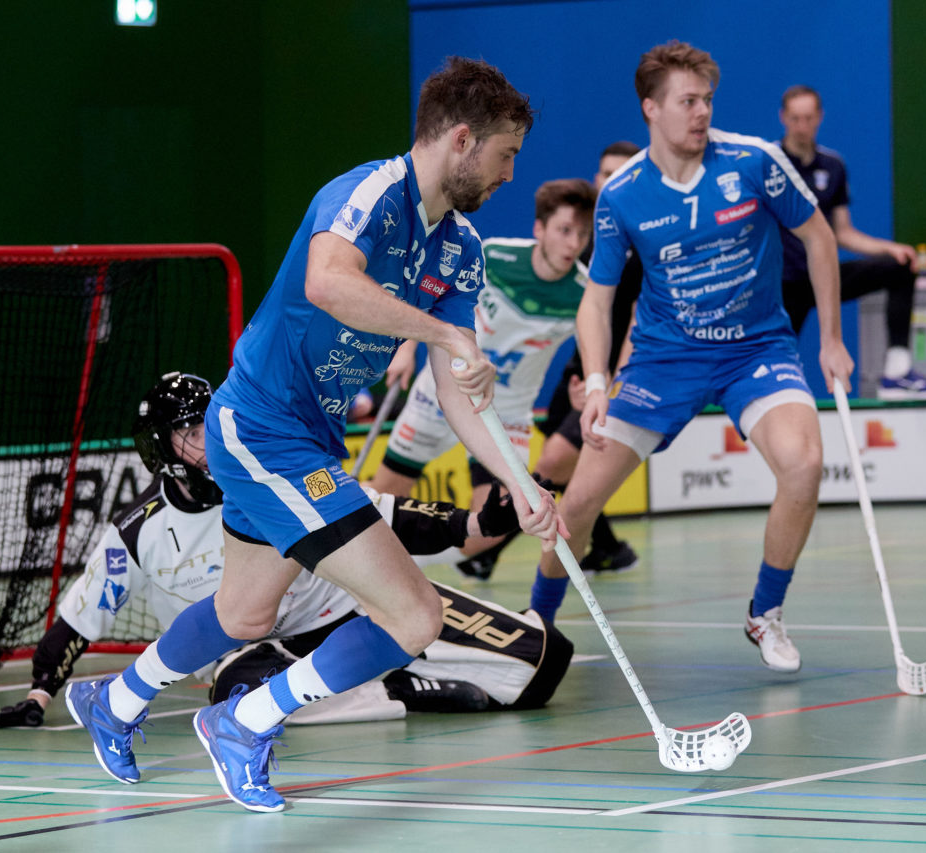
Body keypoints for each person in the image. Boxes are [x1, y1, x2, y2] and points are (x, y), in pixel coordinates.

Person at [68, 57, 563, 813]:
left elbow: (457, 396)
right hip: (261, 428)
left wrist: (521, 484)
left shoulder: (460, 249)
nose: (510, 175)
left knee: (243, 615)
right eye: (507, 154)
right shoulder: (366, 195)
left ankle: (116, 701)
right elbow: (327, 282)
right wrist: (442, 334)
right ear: (462, 139)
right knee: (415, 615)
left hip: (306, 439)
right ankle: (244, 721)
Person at [0, 374, 570, 732]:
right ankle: (399, 693)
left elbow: (381, 513)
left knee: (542, 666)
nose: (207, 440)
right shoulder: (135, 531)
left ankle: (390, 674)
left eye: (209, 423)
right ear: (161, 449)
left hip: (354, 608)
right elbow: (77, 622)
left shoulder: (269, 468)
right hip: (255, 653)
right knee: (241, 695)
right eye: (191, 433)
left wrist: (476, 522)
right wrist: (38, 695)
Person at [529, 41, 854, 676]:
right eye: (687, 101)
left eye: (707, 100)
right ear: (651, 109)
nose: (702, 112)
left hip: (756, 348)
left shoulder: (754, 162)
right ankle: (536, 625)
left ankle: (765, 612)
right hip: (663, 359)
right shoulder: (623, 195)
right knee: (578, 505)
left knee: (805, 464)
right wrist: (595, 380)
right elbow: (597, 301)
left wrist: (832, 339)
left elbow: (819, 238)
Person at [367, 178, 595, 579]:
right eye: (564, 230)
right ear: (539, 229)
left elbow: (600, 341)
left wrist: (592, 384)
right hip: (441, 393)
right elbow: (429, 295)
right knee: (383, 498)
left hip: (507, 413)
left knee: (499, 518)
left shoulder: (583, 291)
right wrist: (405, 350)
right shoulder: (492, 256)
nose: (573, 243)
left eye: (581, 234)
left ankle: (404, 570)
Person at [777, 84, 926, 401]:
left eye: (809, 118)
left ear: (820, 117)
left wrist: (890, 249)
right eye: (795, 118)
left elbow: (842, 232)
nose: (802, 126)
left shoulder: (833, 166)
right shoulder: (770, 163)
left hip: (825, 278)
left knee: (899, 267)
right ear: (783, 118)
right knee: (774, 365)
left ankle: (897, 374)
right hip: (783, 285)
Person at [529, 141, 650, 579]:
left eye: (621, 173)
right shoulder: (583, 238)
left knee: (554, 463)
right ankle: (609, 548)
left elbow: (636, 321)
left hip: (613, 376)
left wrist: (611, 382)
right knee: (562, 459)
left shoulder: (645, 239)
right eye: (605, 173)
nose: (610, 181)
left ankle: (488, 546)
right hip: (578, 369)